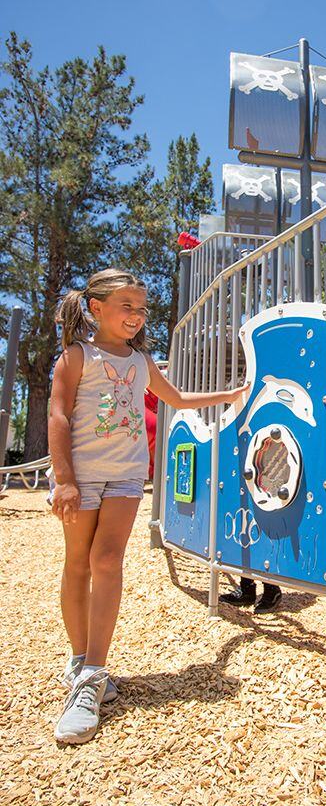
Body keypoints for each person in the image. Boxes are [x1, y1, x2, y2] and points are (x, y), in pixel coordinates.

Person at [48, 269, 249, 745]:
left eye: (141, 309)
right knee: (78, 564)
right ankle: (80, 663)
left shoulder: (140, 361)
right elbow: (57, 416)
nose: (136, 317)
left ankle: (94, 675)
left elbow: (176, 398)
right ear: (96, 309)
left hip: (126, 476)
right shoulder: (77, 357)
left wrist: (232, 393)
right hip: (83, 476)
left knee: (107, 561)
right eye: (126, 307)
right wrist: (64, 480)